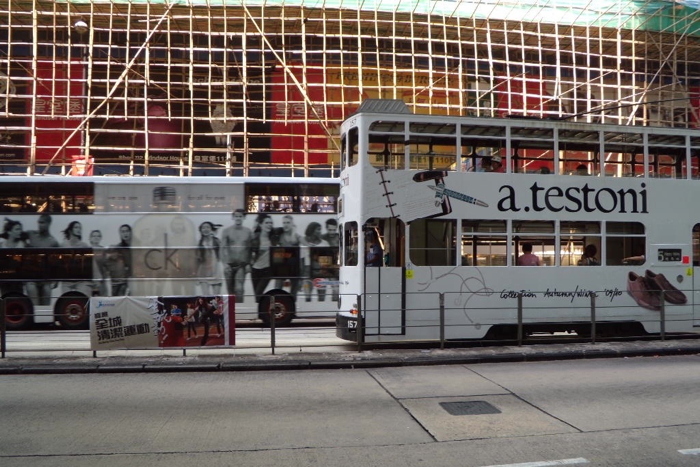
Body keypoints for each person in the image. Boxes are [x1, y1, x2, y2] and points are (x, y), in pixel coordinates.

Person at [25, 214, 60, 305]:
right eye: (39, 222)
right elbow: (15, 235)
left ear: (48, 223)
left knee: (45, 305)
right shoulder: (31, 234)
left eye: (42, 222)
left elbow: (56, 262)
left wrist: (56, 279)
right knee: (34, 305)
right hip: (31, 276)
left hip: (45, 278)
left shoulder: (53, 241)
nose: (40, 225)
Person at [220, 209, 253, 303]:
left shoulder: (248, 232)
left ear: (244, 217)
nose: (238, 218)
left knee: (239, 288)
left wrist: (249, 264)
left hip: (241, 265)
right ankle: (232, 311)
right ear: (233, 217)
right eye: (236, 216)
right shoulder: (227, 231)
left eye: (240, 216)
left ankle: (239, 308)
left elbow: (251, 249)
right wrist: (224, 264)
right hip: (229, 264)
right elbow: (222, 248)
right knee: (230, 290)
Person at [250, 213, 279, 302]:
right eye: (266, 223)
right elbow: (249, 252)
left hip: (267, 270)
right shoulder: (255, 237)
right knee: (257, 297)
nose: (269, 225)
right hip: (255, 270)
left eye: (271, 223)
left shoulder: (274, 237)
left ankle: (268, 307)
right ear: (261, 224)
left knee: (258, 294)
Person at [274, 215, 303, 298]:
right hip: (283, 266)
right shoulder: (280, 235)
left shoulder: (297, 236)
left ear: (292, 224)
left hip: (294, 266)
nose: (285, 225)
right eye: (284, 223)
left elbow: (305, 247)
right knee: (277, 288)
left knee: (294, 291)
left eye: (288, 223)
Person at [303, 221, 329, 302]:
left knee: (321, 296)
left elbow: (328, 260)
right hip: (307, 273)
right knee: (307, 296)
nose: (320, 231)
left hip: (320, 271)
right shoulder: (303, 242)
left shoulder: (325, 243)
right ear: (312, 230)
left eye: (320, 229)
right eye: (318, 229)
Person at [0, 218, 28, 295]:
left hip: (18, 278)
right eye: (17, 229)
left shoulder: (22, 244)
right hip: (4, 278)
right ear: (9, 231)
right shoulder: (2, 244)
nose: (20, 231)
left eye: (20, 229)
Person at [196, 221, 223, 295]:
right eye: (203, 228)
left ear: (211, 229)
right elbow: (197, 260)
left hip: (216, 271)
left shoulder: (217, 241)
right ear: (201, 230)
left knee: (216, 298)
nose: (205, 229)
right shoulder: (199, 243)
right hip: (203, 272)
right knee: (206, 297)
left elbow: (221, 255)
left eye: (208, 227)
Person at [106, 224, 133, 296]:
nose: (125, 233)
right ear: (120, 234)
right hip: (124, 280)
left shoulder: (137, 245)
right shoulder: (118, 248)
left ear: (130, 232)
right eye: (123, 232)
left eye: (127, 231)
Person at [89, 230, 108, 297]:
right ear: (90, 238)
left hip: (101, 281)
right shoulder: (87, 250)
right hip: (90, 281)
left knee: (102, 300)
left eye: (98, 236)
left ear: (100, 238)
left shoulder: (103, 250)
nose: (96, 237)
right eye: (94, 236)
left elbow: (106, 265)